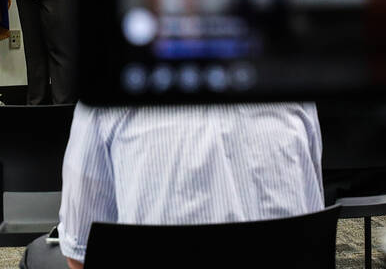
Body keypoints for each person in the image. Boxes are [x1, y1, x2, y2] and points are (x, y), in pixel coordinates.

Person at [21, 103, 325, 269]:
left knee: (41, 254)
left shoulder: (104, 101)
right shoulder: (294, 93)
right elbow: (313, 227)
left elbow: (79, 253)